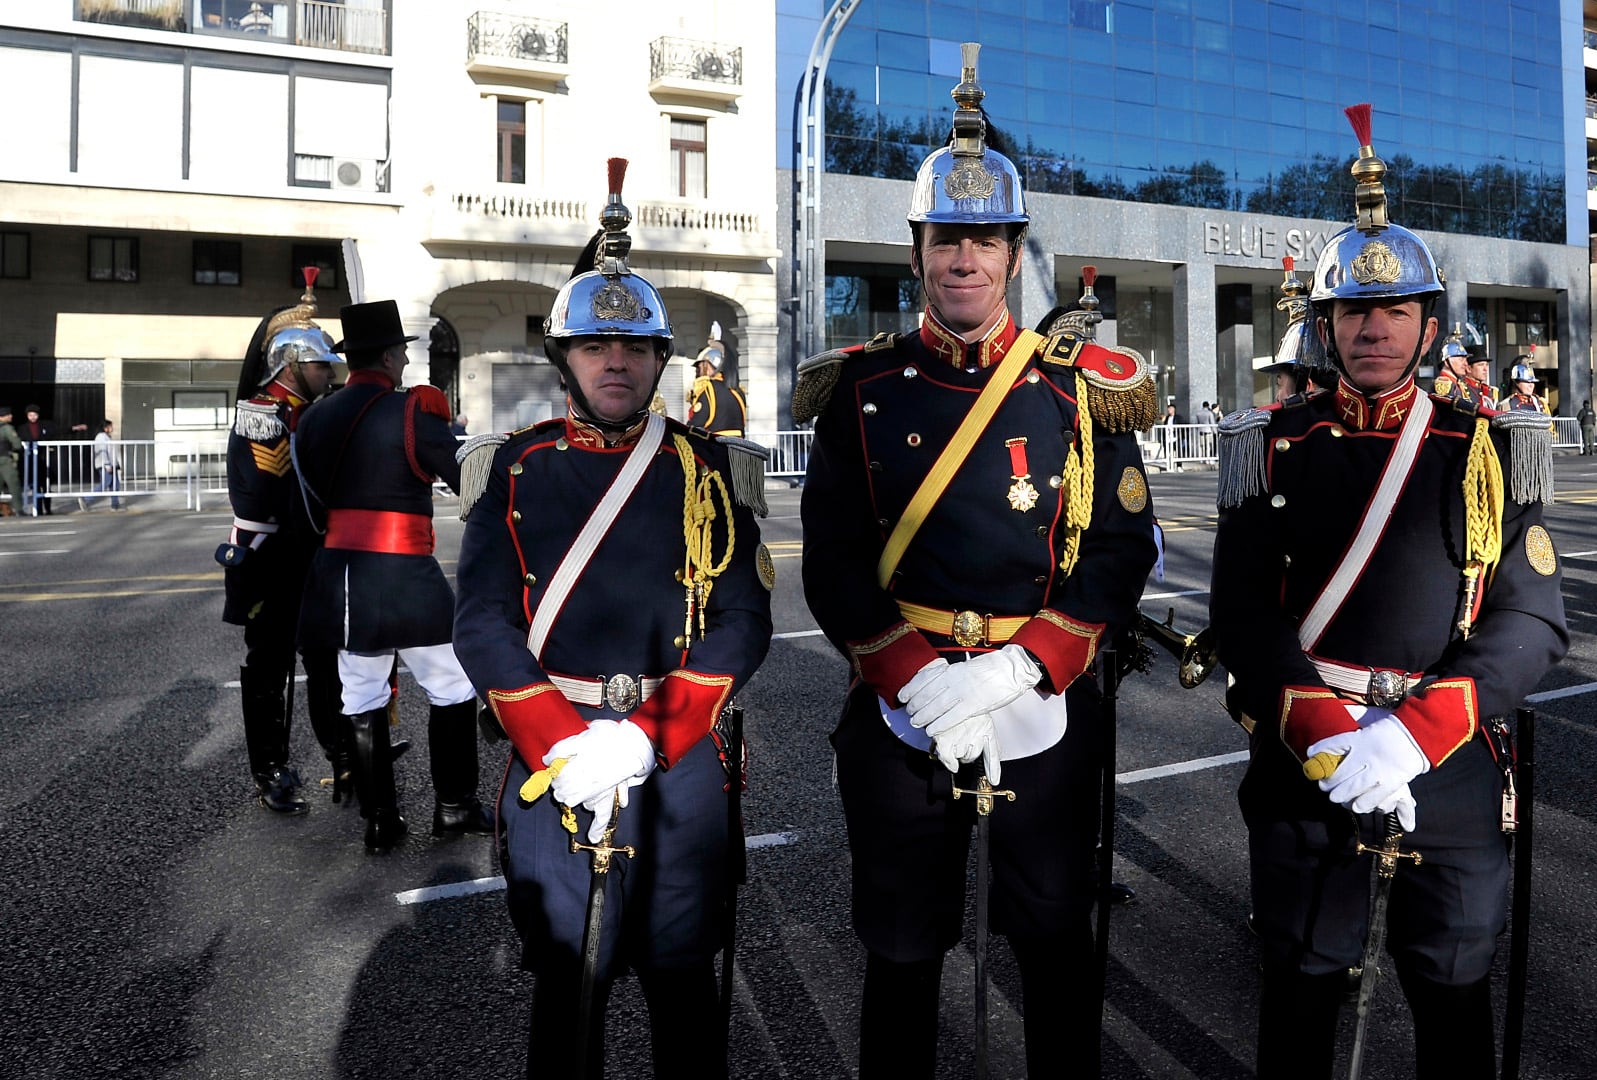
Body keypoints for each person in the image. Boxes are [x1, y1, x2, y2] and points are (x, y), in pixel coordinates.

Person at [795, 44, 1158, 1078]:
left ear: (1012, 251)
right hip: (903, 712)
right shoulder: (861, 390)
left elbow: (1121, 543)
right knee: (901, 954)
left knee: (1053, 952)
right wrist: (917, 681)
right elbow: (833, 558)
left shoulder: (1075, 389)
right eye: (946, 238)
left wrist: (1023, 665)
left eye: (984, 240)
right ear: (917, 250)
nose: (965, 259)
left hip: (1038, 704)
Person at [1211, 103, 1568, 1079]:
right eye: (1353, 312)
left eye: (1393, 310)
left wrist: (1412, 736)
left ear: (1427, 323)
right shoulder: (1268, 448)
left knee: (1453, 1014)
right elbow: (1242, 615)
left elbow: (1532, 619)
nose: (1372, 328)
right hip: (1307, 759)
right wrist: (1329, 733)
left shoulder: (1491, 448)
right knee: (1298, 1009)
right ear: (1325, 325)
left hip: (1442, 763)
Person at [455, 158, 772, 1079]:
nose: (617, 363)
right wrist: (560, 739)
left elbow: (745, 615)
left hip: (676, 760)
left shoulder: (711, 469)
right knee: (569, 991)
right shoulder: (511, 469)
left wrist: (651, 735)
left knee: (683, 986)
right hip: (559, 764)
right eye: (597, 348)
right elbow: (480, 620)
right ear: (566, 358)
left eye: (635, 350)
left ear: (660, 360)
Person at [293, 298, 490, 852]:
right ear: (387, 355)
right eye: (401, 352)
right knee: (451, 686)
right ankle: (452, 809)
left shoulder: (314, 417)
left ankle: (381, 820)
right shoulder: (411, 412)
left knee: (360, 694)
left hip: (341, 576)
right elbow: (463, 475)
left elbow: (306, 507)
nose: (405, 362)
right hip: (403, 573)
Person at [217, 275, 346, 814]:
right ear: (291, 362)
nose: (327, 374)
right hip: (271, 559)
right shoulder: (261, 415)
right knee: (270, 664)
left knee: (325, 659)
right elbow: (268, 495)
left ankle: (343, 752)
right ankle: (269, 767)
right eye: (319, 366)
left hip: (308, 555)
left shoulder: (307, 413)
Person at [686, 322, 747, 436]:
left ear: (708, 366)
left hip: (716, 448)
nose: (698, 372)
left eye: (700, 367)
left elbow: (696, 424)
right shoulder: (738, 391)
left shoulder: (708, 388)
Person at [1431, 326, 1494, 412]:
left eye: (1465, 359)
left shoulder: (1458, 384)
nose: (1465, 363)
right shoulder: (1444, 385)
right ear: (1446, 362)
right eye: (1461, 359)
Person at [20, 403, 54, 515]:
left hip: (43, 459)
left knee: (46, 485)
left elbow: (57, 430)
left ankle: (48, 508)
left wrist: (73, 429)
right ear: (27, 416)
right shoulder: (22, 428)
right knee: (35, 486)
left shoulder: (45, 425)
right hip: (30, 461)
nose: (33, 417)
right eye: (30, 415)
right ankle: (37, 509)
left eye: (35, 414)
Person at [86, 420, 121, 510]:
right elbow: (103, 451)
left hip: (111, 464)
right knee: (106, 483)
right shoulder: (101, 437)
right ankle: (86, 499)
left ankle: (115, 504)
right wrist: (107, 464)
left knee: (115, 485)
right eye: (110, 426)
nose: (112, 428)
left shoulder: (107, 437)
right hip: (105, 464)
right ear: (105, 428)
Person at [0, 406, 20, 518]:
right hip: (5, 459)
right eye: (8, 415)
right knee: (14, 485)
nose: (11, 416)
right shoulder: (7, 428)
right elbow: (16, 443)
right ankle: (18, 509)